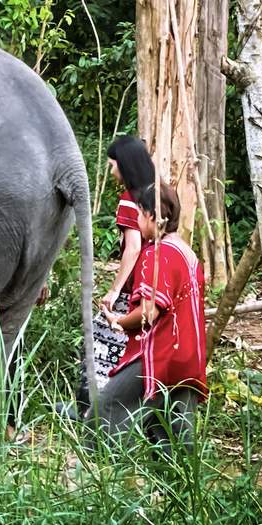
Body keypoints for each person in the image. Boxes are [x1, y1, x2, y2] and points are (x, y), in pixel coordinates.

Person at [95, 182, 207, 452]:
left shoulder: (156, 254)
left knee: (107, 410)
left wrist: (118, 321)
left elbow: (149, 311)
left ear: (153, 217)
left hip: (160, 354)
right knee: (173, 433)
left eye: (140, 214)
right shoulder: (187, 253)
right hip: (189, 358)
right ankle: (181, 490)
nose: (137, 220)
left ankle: (101, 477)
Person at [56, 134, 157, 418]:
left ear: (124, 166)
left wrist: (114, 292)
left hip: (133, 291)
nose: (111, 172)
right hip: (153, 286)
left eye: (112, 165)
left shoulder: (129, 202)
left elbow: (132, 249)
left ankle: (89, 412)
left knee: (98, 343)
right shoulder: (157, 193)